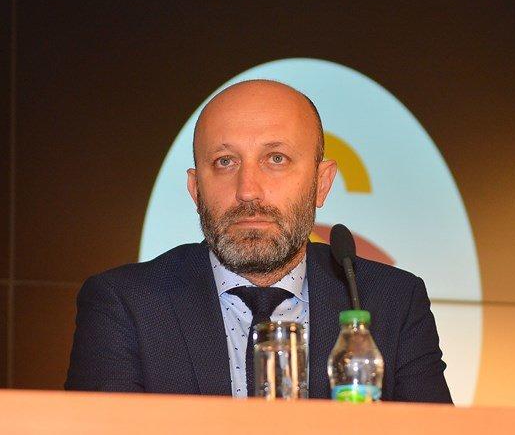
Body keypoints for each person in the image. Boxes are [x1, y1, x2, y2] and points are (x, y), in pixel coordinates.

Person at [65, 80, 452, 403]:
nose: (248, 190)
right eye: (225, 162)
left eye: (276, 159)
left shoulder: (391, 301)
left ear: (321, 183)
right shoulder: (126, 304)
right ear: (195, 189)